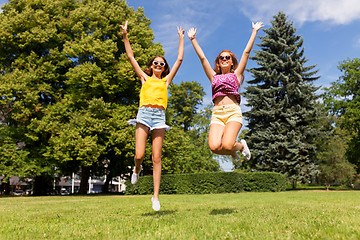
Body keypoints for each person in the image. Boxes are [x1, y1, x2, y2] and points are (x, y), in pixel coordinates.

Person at [120, 21, 184, 211]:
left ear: (164, 68)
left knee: (156, 157)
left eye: (161, 64)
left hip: (159, 117)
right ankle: (137, 168)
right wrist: (125, 35)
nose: (158, 65)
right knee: (139, 154)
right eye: (155, 63)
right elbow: (130, 56)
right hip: (144, 114)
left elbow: (179, 60)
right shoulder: (144, 78)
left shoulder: (166, 81)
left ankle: (155, 197)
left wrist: (181, 38)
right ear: (151, 66)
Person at [187, 22, 264, 163]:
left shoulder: (237, 75)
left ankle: (240, 146)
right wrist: (193, 40)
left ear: (231, 62)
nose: (224, 59)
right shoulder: (213, 76)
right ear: (218, 62)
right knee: (214, 147)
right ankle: (232, 153)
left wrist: (254, 31)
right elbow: (203, 58)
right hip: (217, 114)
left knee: (228, 144)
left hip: (232, 112)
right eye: (221, 57)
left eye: (227, 57)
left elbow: (246, 52)